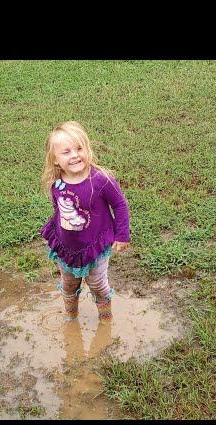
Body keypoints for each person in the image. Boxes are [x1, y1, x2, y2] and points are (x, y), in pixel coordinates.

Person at [40, 121, 130, 323]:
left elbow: (120, 205)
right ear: (55, 160)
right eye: (66, 152)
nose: (74, 155)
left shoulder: (101, 180)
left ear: (87, 149)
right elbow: (60, 210)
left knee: (98, 284)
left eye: (79, 148)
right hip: (66, 248)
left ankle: (105, 319)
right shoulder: (57, 183)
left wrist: (122, 234)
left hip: (95, 246)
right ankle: (71, 318)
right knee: (68, 285)